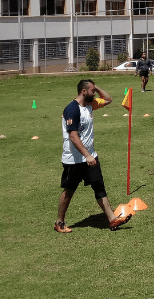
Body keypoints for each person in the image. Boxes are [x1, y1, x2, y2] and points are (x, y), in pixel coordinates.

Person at [55, 79, 129, 233]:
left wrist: (96, 87)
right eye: (92, 91)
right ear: (83, 91)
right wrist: (87, 155)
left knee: (99, 186)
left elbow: (108, 99)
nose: (94, 93)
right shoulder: (72, 109)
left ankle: (112, 220)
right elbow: (73, 136)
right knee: (69, 191)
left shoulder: (90, 104)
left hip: (90, 156)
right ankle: (59, 223)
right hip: (74, 159)